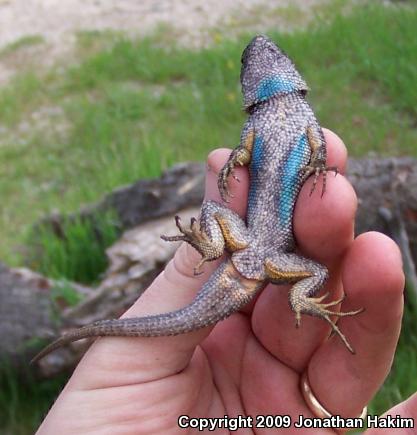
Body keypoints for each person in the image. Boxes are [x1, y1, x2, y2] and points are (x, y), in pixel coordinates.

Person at [36, 130, 409, 434]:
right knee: (316, 269)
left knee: (225, 213)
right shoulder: (283, 124)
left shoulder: (263, 126)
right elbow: (280, 151)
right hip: (263, 253)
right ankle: (293, 295)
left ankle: (245, 266)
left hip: (249, 244)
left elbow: (249, 155)